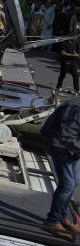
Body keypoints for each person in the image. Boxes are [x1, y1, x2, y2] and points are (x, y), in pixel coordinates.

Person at [42, 97, 80, 236]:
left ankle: (62, 217)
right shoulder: (75, 109)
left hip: (73, 148)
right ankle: (52, 220)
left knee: (74, 182)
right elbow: (65, 136)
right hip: (61, 147)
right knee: (67, 184)